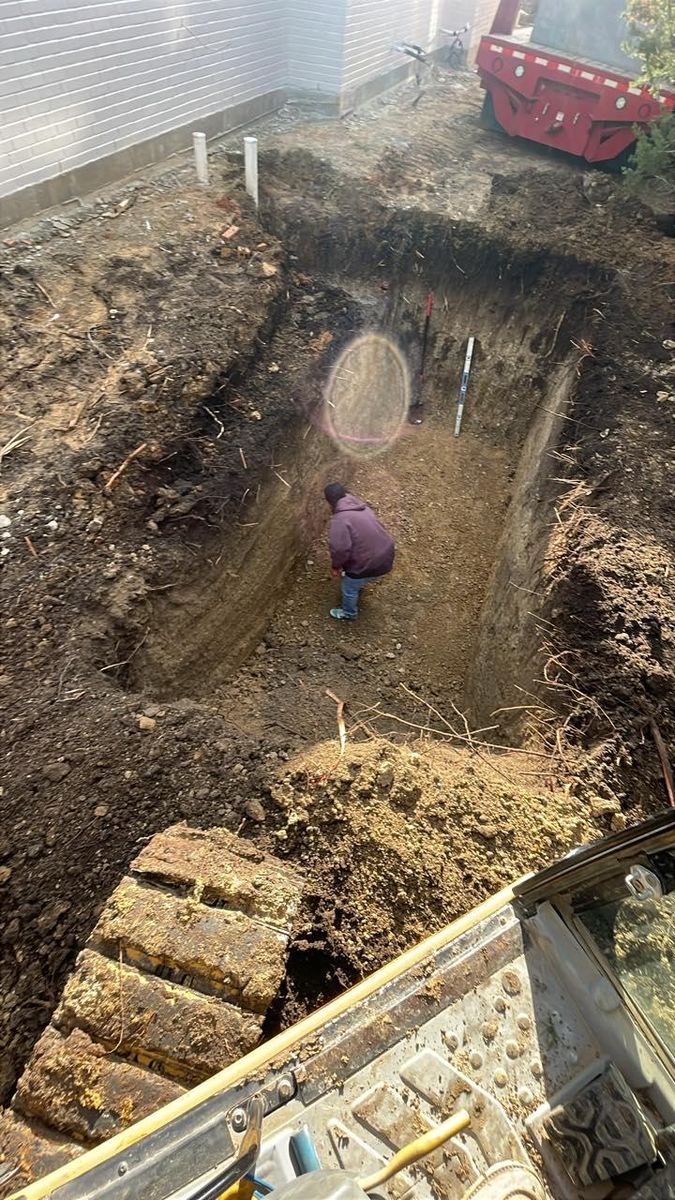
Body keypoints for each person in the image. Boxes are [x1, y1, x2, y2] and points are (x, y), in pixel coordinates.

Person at [324, 483, 395, 620]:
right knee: (359, 579)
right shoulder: (360, 507)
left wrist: (336, 566)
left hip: (369, 563)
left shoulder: (340, 520)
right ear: (344, 494)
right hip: (386, 553)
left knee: (349, 589)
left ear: (329, 502)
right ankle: (361, 582)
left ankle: (349, 613)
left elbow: (340, 549)